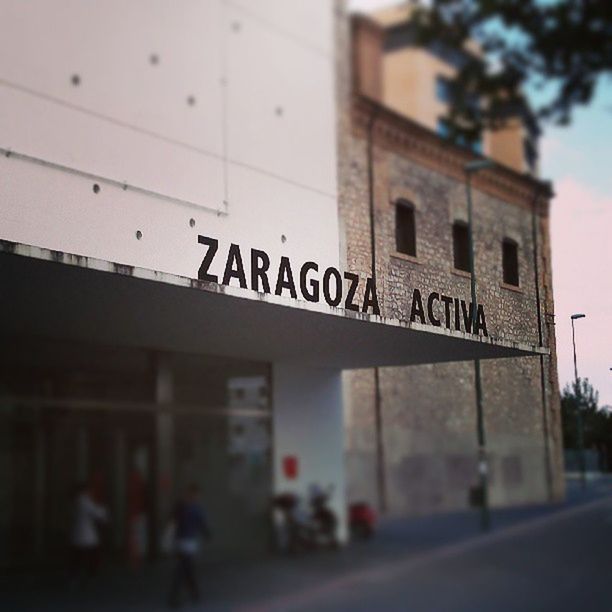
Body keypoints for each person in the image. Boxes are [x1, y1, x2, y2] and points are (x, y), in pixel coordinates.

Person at [168, 484, 211, 608]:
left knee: (185, 568)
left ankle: (192, 593)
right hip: (186, 542)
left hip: (183, 541)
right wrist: (207, 534)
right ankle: (179, 596)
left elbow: (172, 519)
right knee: (184, 569)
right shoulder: (192, 507)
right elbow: (202, 523)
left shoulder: (182, 506)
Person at [69, 482, 108, 584]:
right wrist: (103, 511)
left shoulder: (75, 501)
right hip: (86, 535)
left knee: (78, 556)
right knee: (92, 554)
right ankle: (91, 576)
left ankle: (76, 576)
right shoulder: (85, 501)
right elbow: (97, 513)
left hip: (77, 534)